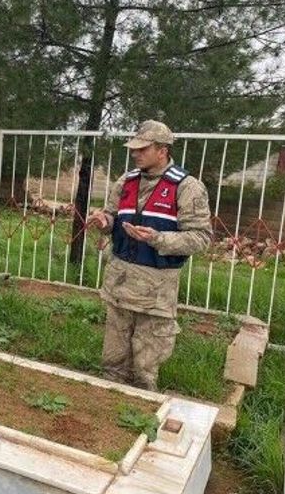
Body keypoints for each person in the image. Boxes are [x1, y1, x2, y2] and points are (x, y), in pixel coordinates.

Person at [85, 120, 212, 391]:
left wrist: (158, 239)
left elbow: (201, 238)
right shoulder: (126, 181)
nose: (135, 154)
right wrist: (104, 221)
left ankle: (142, 409)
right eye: (134, 149)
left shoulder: (188, 187)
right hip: (120, 280)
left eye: (143, 149)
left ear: (163, 150)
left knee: (145, 363)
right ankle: (110, 400)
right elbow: (112, 215)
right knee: (113, 359)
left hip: (156, 287)